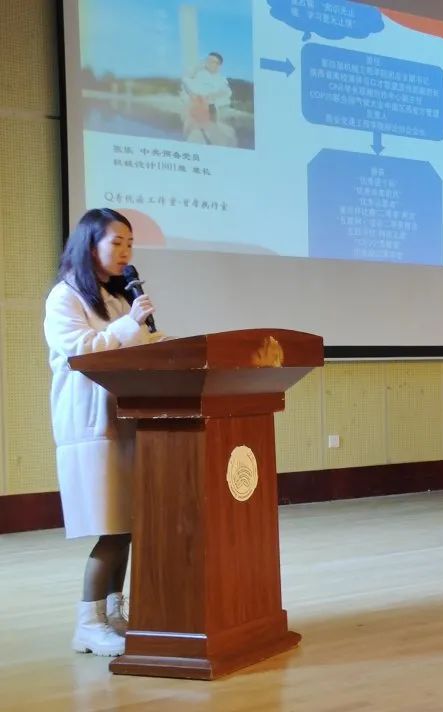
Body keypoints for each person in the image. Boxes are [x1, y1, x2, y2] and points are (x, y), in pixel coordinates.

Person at [43, 208, 165, 656]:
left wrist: (156, 344)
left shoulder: (114, 299)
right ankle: (88, 624)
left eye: (130, 243)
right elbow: (83, 351)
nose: (126, 252)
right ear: (89, 244)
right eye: (116, 242)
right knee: (110, 528)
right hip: (91, 425)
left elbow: (129, 345)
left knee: (127, 525)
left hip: (126, 420)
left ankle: (114, 614)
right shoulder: (65, 297)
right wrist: (130, 325)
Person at [181, 52, 236, 146]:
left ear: (218, 65)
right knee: (190, 135)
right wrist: (192, 94)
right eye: (208, 60)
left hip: (210, 109)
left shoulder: (221, 80)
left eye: (212, 61)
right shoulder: (199, 74)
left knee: (207, 135)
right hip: (194, 108)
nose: (209, 63)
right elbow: (185, 81)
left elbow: (226, 92)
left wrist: (213, 95)